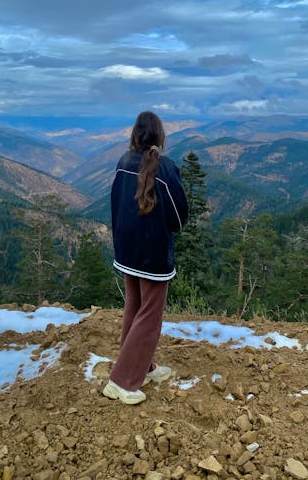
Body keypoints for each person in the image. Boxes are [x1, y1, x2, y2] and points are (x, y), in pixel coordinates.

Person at [103, 111, 189, 405]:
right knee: (150, 316)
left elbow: (114, 204)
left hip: (126, 250)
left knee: (135, 307)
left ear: (135, 135)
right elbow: (179, 217)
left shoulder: (123, 163)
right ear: (160, 136)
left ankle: (144, 368)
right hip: (153, 254)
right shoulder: (165, 169)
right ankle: (122, 381)